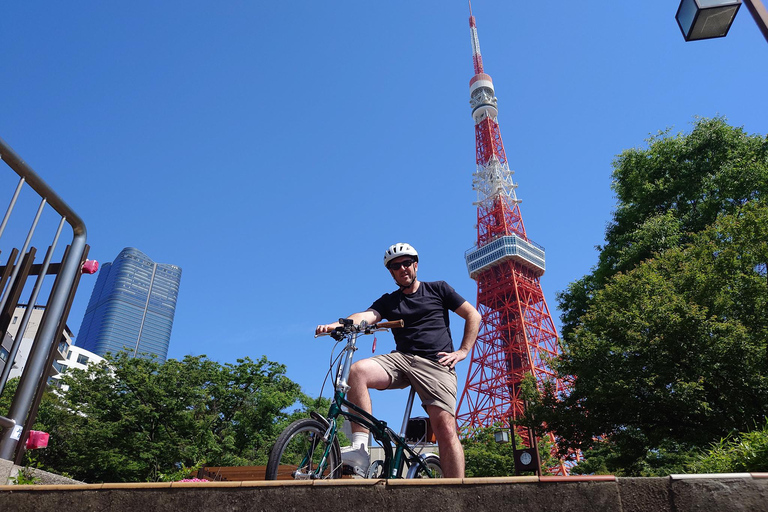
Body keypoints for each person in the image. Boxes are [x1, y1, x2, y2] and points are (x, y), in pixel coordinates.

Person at [316, 242, 481, 478]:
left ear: (415, 264)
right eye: (395, 266)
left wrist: (463, 351)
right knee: (357, 371)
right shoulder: (389, 301)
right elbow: (366, 315)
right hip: (402, 360)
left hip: (436, 363)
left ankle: (455, 492)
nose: (402, 268)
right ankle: (361, 447)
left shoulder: (438, 289)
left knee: (444, 428)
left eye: (406, 263)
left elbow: (473, 315)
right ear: (391, 272)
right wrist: (337, 324)